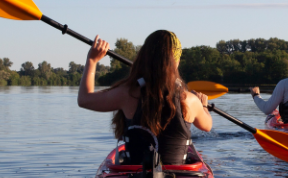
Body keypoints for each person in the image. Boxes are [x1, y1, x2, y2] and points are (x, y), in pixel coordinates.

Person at [78, 30, 212, 166]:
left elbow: (84, 99)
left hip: (135, 175)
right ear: (177, 61)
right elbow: (207, 126)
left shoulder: (127, 94)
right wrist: (203, 106)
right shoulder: (190, 100)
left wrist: (92, 60)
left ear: (144, 57)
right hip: (179, 175)